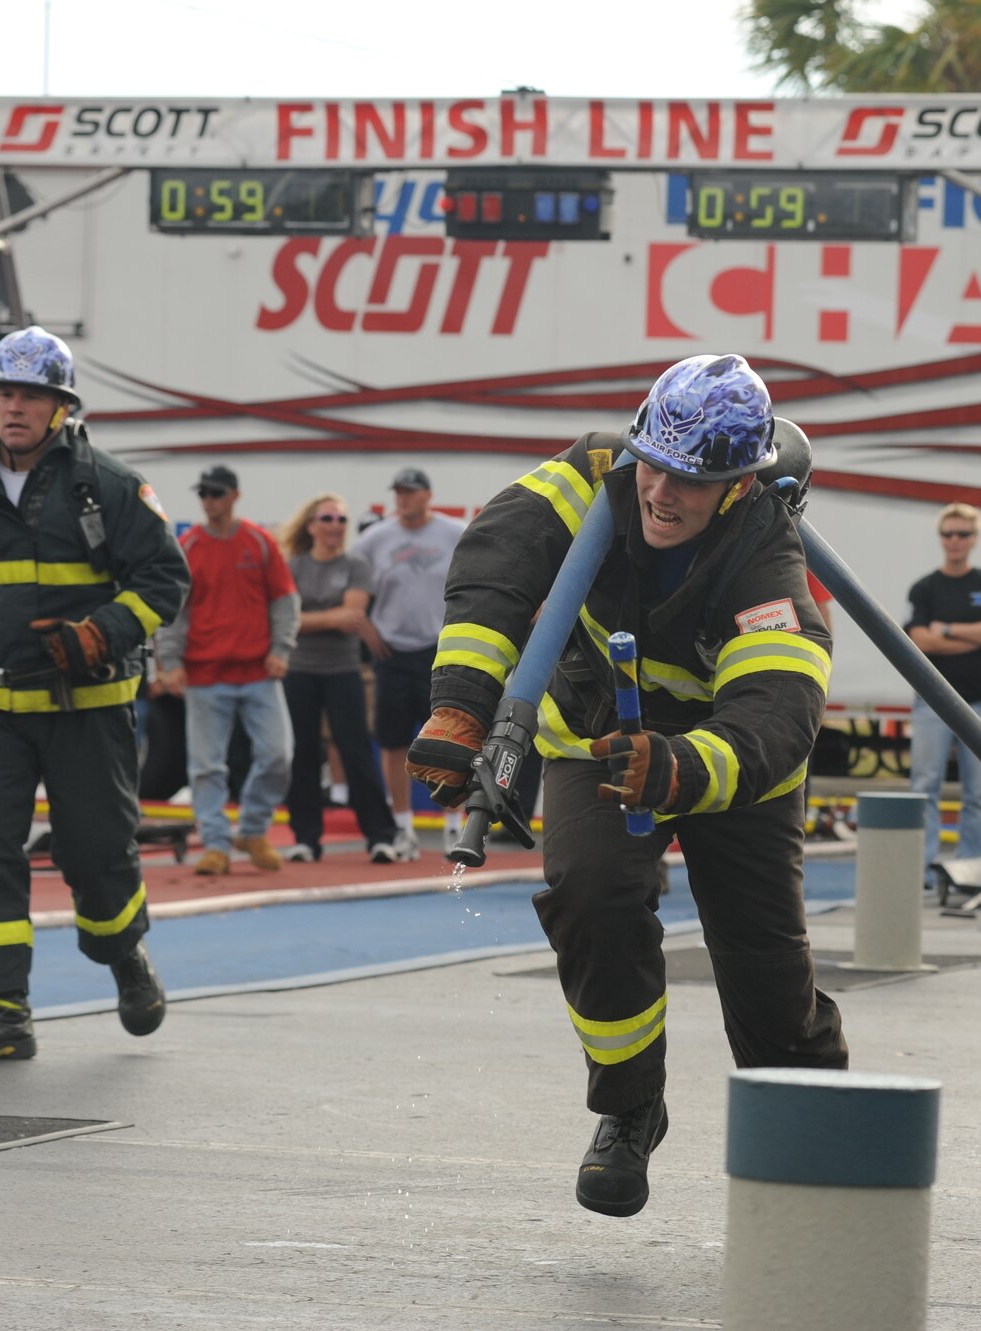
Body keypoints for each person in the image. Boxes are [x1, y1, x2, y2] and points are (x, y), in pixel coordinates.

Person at [408, 354, 847, 1218]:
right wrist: (461, 708)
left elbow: (776, 713)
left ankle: (813, 1120)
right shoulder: (593, 473)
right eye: (655, 463)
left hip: (730, 772)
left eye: (692, 479)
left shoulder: (769, 562)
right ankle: (628, 1107)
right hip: (597, 739)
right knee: (590, 896)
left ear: (738, 486)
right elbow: (498, 562)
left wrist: (678, 768)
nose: (661, 492)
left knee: (762, 970)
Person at [0, 326, 187, 1061]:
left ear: (60, 405)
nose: (15, 407)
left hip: (86, 711)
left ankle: (126, 959)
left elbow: (164, 580)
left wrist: (100, 633)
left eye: (32, 395)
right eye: (5, 393)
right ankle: (5, 1014)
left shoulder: (108, 487)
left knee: (96, 853)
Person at [154, 465, 298, 876]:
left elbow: (285, 601)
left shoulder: (259, 541)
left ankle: (251, 830)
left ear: (235, 495)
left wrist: (280, 650)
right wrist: (173, 664)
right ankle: (216, 844)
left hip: (258, 671)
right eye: (204, 494)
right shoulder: (189, 546)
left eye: (216, 493)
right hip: (204, 675)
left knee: (278, 757)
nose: (209, 501)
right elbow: (174, 612)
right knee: (206, 766)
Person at [275, 491, 399, 863]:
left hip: (342, 670)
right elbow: (289, 621)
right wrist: (330, 618)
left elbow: (354, 617)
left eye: (341, 520)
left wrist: (307, 620)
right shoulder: (293, 566)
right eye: (327, 519)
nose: (335, 526)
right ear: (311, 526)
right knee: (302, 753)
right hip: (299, 671)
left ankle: (381, 836)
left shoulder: (356, 565)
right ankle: (306, 839)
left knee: (356, 750)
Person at [352, 465, 466, 862]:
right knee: (394, 741)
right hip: (393, 653)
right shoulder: (374, 539)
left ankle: (455, 828)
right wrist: (368, 630)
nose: (403, 498)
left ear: (427, 495)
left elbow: (475, 580)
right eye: (398, 491)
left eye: (411, 491)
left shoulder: (454, 533)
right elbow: (354, 591)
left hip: (439, 651)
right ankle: (402, 827)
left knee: (447, 740)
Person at [905, 502, 981, 872]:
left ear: (974, 539)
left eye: (962, 534)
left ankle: (973, 871)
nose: (954, 541)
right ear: (941, 538)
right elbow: (921, 641)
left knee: (980, 794)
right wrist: (978, 636)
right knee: (924, 788)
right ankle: (921, 872)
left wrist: (949, 630)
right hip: (932, 703)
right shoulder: (925, 588)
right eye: (948, 533)